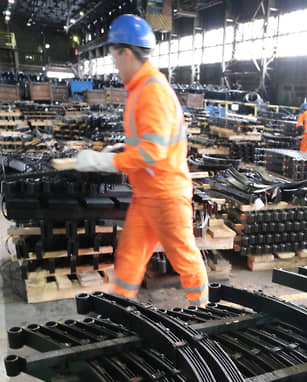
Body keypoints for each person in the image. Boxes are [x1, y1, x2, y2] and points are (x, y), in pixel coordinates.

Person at [52, 14, 208, 307]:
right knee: (129, 256)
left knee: (184, 259)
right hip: (146, 193)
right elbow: (148, 140)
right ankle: (120, 311)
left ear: (126, 53)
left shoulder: (152, 91)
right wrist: (121, 148)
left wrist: (102, 162)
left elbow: (152, 153)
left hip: (166, 194)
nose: (114, 64)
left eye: (114, 56)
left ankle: (203, 311)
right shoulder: (141, 88)